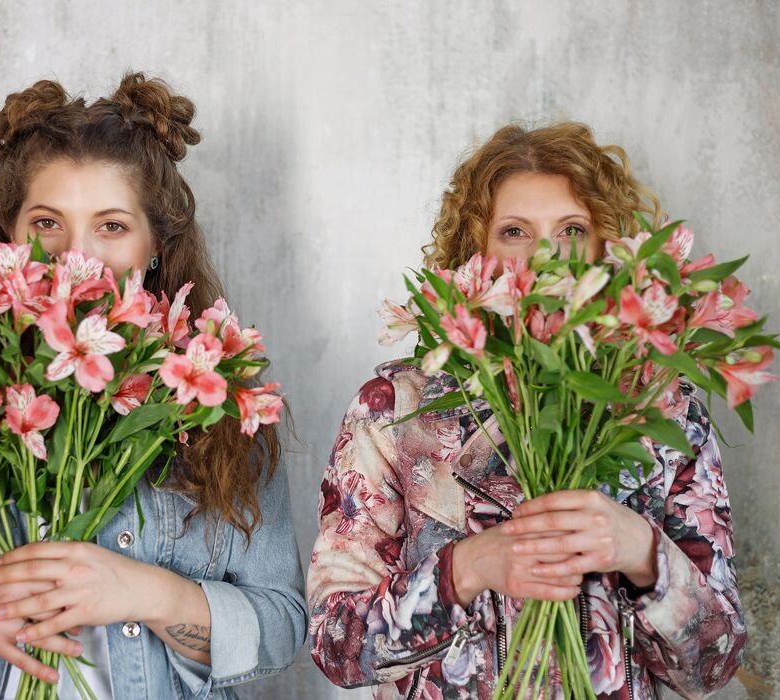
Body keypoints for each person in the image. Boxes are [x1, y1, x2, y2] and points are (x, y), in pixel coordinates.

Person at [0, 72, 307, 700]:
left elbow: (282, 626)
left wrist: (145, 592)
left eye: (111, 226)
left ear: (156, 245)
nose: (76, 259)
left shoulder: (218, 400)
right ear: (7, 238)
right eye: (47, 222)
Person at [307, 123, 747, 699]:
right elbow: (335, 646)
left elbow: (714, 665)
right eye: (515, 231)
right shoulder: (393, 409)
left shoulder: (662, 406)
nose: (546, 258)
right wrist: (464, 571)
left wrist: (644, 553)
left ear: (608, 249)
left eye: (572, 230)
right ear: (477, 252)